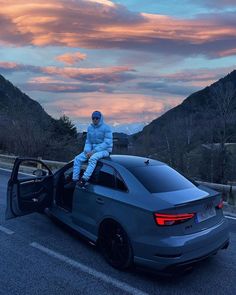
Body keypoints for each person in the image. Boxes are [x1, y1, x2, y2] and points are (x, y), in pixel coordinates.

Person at [73, 110, 113, 188]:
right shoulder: (90, 128)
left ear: (100, 118)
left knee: (93, 158)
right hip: (91, 150)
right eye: (93, 118)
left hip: (105, 150)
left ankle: (84, 180)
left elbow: (107, 143)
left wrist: (93, 152)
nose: (95, 119)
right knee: (77, 159)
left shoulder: (106, 128)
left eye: (97, 118)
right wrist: (87, 151)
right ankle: (74, 180)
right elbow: (88, 142)